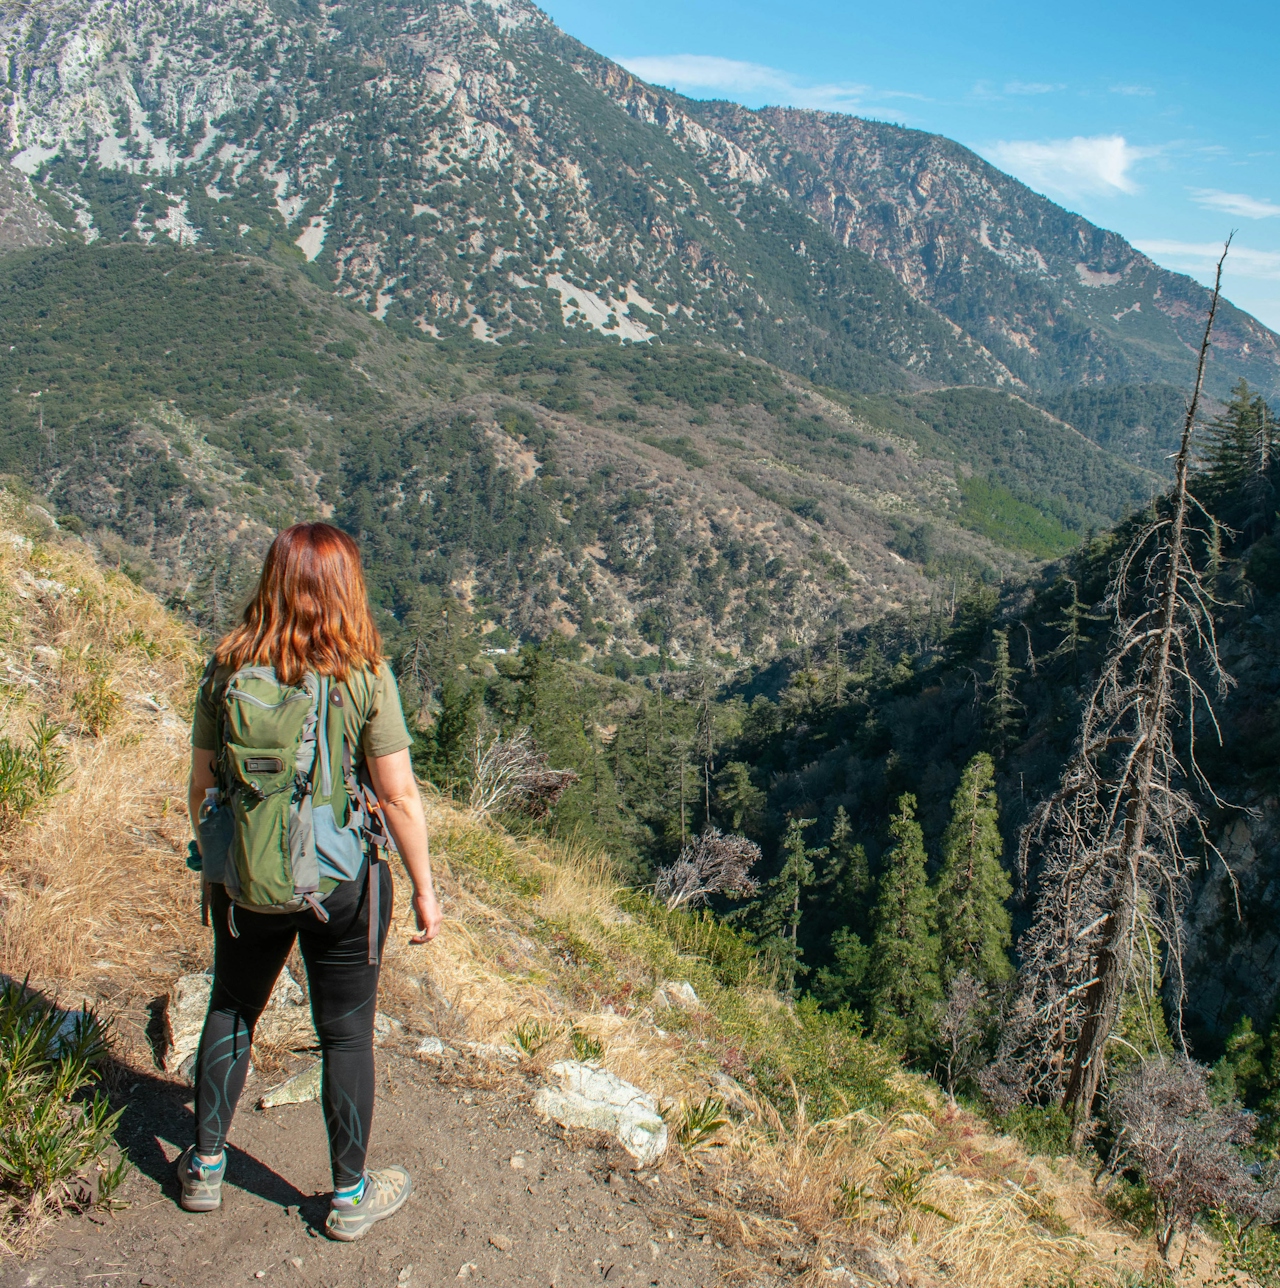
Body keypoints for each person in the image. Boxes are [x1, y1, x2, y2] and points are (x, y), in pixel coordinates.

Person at [181, 522, 442, 1240]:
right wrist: (424, 887)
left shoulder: (225, 667)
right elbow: (397, 796)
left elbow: (202, 785)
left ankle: (204, 1169)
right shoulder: (363, 674)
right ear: (344, 590)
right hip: (339, 887)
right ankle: (350, 1195)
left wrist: (224, 864)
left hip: (245, 884)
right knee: (347, 1038)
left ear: (272, 582)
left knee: (232, 1010)